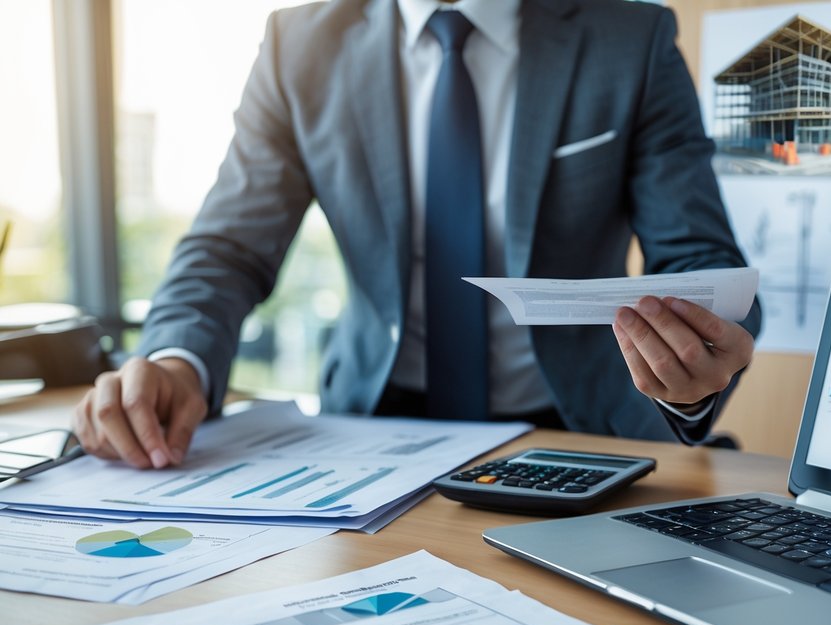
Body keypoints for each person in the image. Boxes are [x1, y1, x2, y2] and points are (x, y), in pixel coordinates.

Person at [73, 0, 761, 470]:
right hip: (369, 430)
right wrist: (175, 360)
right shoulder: (299, 46)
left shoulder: (627, 39)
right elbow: (227, 249)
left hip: (579, 427)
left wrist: (691, 367)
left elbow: (698, 260)